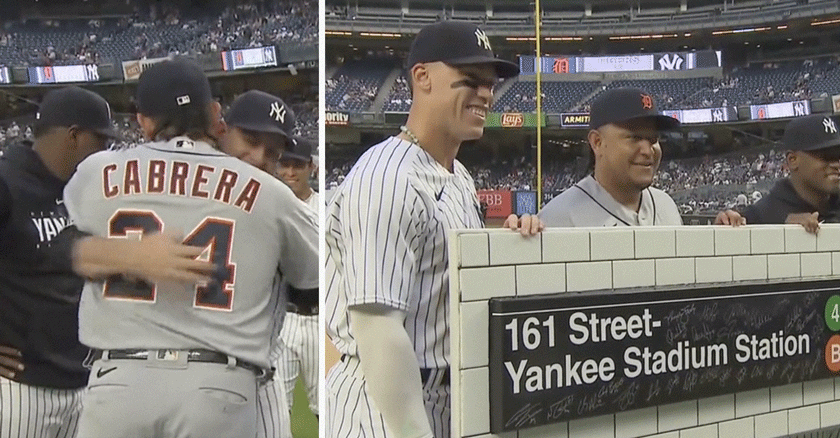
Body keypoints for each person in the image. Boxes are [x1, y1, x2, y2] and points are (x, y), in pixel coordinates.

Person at [64, 59, 318, 438]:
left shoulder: (97, 171)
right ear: (216, 117)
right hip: (220, 382)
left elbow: (51, 247)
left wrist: (117, 254)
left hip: (117, 379)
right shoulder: (272, 194)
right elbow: (315, 282)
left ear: (143, 122)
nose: (260, 159)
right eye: (251, 141)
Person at [325, 21, 540, 438]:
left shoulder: (458, 176)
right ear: (422, 77)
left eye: (490, 85)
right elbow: (377, 327)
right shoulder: (386, 177)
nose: (486, 94)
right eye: (469, 80)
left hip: (449, 398)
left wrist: (510, 247)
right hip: (384, 409)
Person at [220, 89, 302, 438]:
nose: (258, 158)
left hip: (262, 371)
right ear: (222, 130)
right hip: (198, 372)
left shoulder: (279, 206)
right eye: (250, 141)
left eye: (273, 153)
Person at [538, 87, 743, 227]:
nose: (648, 150)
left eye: (653, 139)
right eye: (634, 138)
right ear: (597, 143)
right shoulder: (558, 218)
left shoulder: (666, 206)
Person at [274, 135, 320, 418]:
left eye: (297, 166)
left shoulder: (324, 209)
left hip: (319, 321)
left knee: (325, 410)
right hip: (284, 319)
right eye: (285, 165)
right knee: (277, 410)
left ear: (311, 168)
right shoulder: (271, 206)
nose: (290, 173)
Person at [742, 114, 840, 234]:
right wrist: (781, 230)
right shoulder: (759, 216)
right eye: (827, 156)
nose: (836, 164)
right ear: (793, 160)